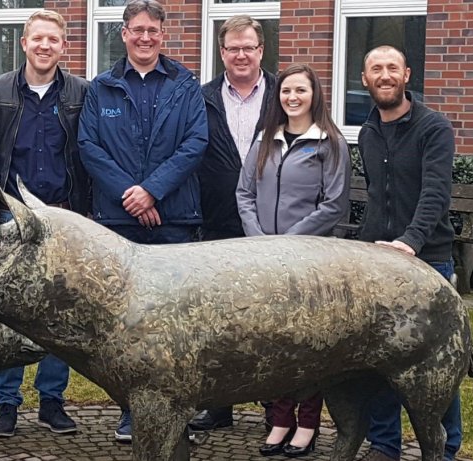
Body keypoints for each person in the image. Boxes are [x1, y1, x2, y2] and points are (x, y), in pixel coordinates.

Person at [77, 0, 208, 443]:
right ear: (124, 33)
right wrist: (131, 196)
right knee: (125, 328)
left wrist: (152, 190)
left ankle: (178, 414)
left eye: (153, 29)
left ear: (162, 34)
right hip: (117, 222)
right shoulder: (103, 87)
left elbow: (195, 143)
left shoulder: (185, 83)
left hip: (174, 219)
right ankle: (132, 412)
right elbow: (90, 147)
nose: (146, 37)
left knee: (179, 323)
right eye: (137, 30)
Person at [0, 9, 90, 438]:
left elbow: (88, 155)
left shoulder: (82, 93)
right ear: (23, 43)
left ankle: (52, 401)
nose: (45, 46)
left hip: (63, 215)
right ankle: (7, 404)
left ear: (64, 46)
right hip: (8, 215)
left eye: (54, 40)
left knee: (57, 313)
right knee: (9, 310)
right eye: (37, 39)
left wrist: (86, 213)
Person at [236, 63, 351, 458]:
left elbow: (334, 204)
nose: (292, 98)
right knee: (272, 344)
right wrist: (259, 239)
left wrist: (289, 241)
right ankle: (280, 419)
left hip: (308, 261)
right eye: (286, 91)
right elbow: (244, 193)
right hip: (264, 259)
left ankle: (307, 424)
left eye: (300, 90)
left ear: (314, 95)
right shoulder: (266, 138)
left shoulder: (330, 143)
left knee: (308, 345)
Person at [355, 45, 462, 461]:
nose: (385, 75)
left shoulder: (433, 127)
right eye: (376, 69)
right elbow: (378, 200)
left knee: (435, 364)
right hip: (379, 262)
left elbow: (436, 193)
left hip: (426, 259)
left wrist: (411, 241)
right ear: (365, 79)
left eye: (392, 68)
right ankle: (385, 445)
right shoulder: (366, 132)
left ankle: (446, 446)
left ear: (407, 75)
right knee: (378, 359)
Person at [188, 14, 278, 433]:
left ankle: (276, 411)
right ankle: (219, 406)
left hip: (274, 225)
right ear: (221, 52)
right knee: (219, 323)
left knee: (275, 322)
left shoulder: (286, 94)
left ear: (261, 50)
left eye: (249, 47)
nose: (241, 54)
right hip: (217, 223)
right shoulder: (201, 97)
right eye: (233, 48)